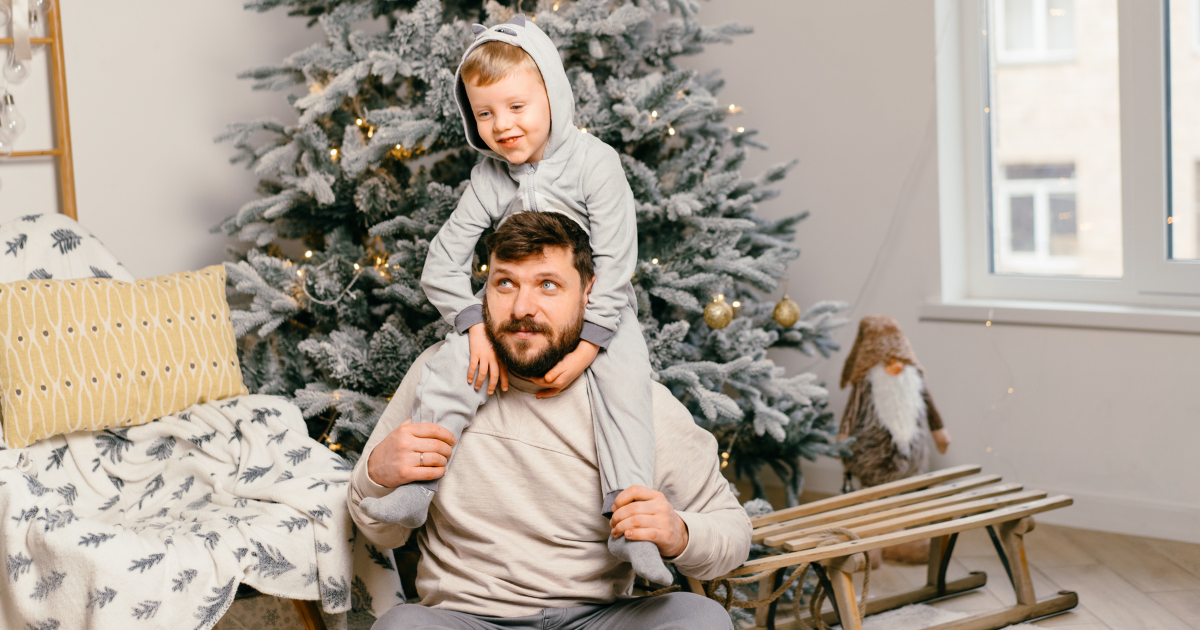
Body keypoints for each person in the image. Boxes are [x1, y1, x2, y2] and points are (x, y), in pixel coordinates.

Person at [358, 13, 669, 583]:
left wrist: (586, 349)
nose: (501, 126)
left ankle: (629, 515)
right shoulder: (489, 178)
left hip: (596, 310)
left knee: (625, 388)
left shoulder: (595, 165)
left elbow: (618, 264)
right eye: (485, 113)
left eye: (517, 107)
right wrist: (474, 327)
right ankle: (418, 485)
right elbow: (440, 263)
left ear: (553, 95)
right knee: (453, 366)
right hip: (509, 313)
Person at [349, 211, 750, 629]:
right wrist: (377, 474)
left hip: (597, 619)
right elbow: (381, 532)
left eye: (547, 285)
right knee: (401, 626)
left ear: (589, 294)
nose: (523, 307)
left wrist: (678, 531)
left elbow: (734, 532)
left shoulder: (638, 402)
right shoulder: (437, 377)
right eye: (505, 283)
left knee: (700, 619)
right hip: (465, 619)